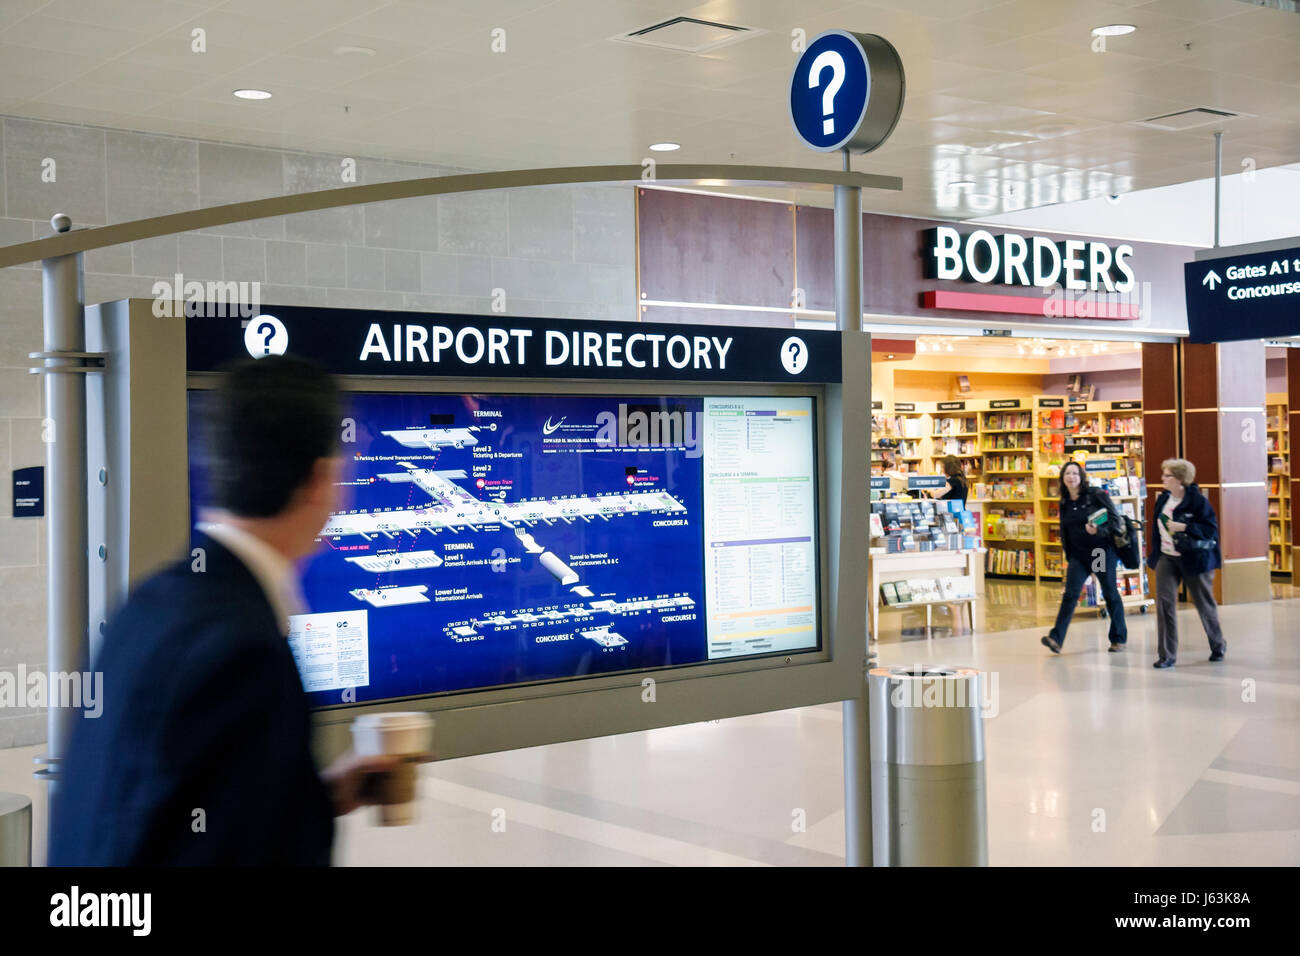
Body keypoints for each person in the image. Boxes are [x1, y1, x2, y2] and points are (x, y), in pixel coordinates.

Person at [50, 356, 406, 865]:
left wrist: (314, 798)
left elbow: (172, 817)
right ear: (319, 480)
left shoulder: (148, 606)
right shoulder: (246, 652)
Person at [1041, 460, 1128, 654]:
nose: (1071, 477)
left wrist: (1098, 530)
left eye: (1075, 473)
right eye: (1067, 474)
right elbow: (1065, 530)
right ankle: (1056, 638)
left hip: (1099, 551)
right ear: (1062, 479)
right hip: (1079, 556)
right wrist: (1069, 554)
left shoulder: (1095, 495)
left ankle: (1119, 638)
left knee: (1109, 593)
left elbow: (1115, 520)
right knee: (1070, 595)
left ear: (1081, 477)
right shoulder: (1064, 501)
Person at [1147, 458, 1225, 669]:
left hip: (1194, 558)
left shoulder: (1198, 502)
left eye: (1167, 475)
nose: (1162, 478)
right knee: (1164, 606)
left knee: (1204, 604)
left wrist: (1185, 526)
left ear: (1180, 480)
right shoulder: (1163, 500)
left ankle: (1218, 645)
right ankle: (1167, 656)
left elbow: (1210, 530)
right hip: (1167, 557)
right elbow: (1156, 529)